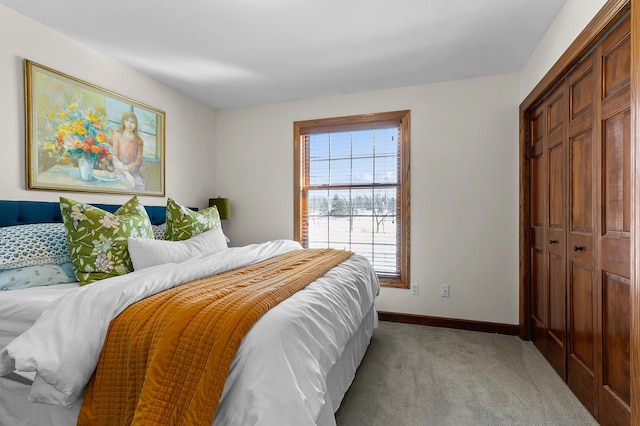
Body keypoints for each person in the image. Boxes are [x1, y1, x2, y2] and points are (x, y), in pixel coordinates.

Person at [109, 111, 146, 190]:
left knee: (141, 188)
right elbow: (115, 156)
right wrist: (124, 170)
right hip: (120, 170)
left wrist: (127, 168)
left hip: (134, 172)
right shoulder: (117, 135)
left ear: (135, 124)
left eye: (132, 122)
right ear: (123, 121)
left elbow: (139, 161)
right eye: (127, 120)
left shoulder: (139, 141)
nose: (129, 124)